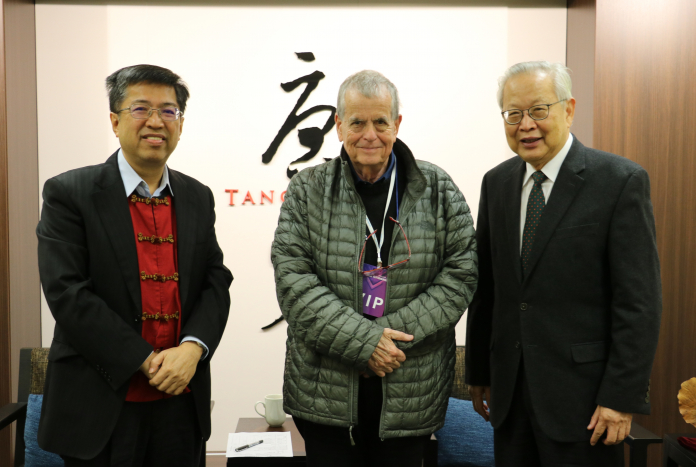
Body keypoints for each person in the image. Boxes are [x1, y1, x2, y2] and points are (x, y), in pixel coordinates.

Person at [271, 70, 478, 467]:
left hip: (409, 390)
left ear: (397, 124)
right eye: (358, 122)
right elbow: (294, 281)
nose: (370, 134)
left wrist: (387, 342)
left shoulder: (438, 189)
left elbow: (460, 274)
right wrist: (365, 343)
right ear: (338, 126)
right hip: (325, 391)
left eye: (381, 122)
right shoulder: (307, 189)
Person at [465, 61, 662, 466]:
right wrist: (480, 374)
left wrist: (620, 398)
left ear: (568, 109)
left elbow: (639, 303)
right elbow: (488, 288)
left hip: (586, 403)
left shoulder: (619, 181)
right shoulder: (497, 183)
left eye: (539, 110)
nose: (526, 125)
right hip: (510, 398)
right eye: (513, 113)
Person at [36, 64, 233, 467]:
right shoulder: (69, 193)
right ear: (114, 120)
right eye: (141, 109)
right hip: (100, 405)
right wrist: (147, 359)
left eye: (169, 110)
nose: (156, 122)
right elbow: (67, 293)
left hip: (180, 403)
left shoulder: (197, 196)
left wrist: (192, 350)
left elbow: (216, 280)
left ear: (180, 122)